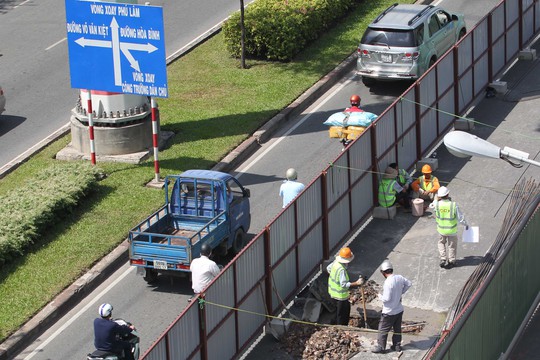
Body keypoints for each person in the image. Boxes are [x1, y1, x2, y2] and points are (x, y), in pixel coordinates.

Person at [372, 260, 412, 354]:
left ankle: (381, 347)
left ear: (383, 272)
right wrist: (401, 292)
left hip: (389, 312)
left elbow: (386, 299)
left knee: (383, 329)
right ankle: (397, 345)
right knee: (397, 329)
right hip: (399, 310)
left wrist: (379, 296)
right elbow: (409, 283)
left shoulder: (388, 282)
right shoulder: (399, 277)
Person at [327, 247, 365, 325]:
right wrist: (356, 283)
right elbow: (344, 284)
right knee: (342, 314)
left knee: (339, 310)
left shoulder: (335, 262)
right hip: (340, 295)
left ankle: (334, 322)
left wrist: (335, 278)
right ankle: (341, 327)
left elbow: (328, 269)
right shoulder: (341, 270)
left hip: (332, 291)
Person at [434, 186, 468, 269]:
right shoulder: (453, 205)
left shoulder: (437, 205)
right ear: (448, 194)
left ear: (439, 196)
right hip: (452, 230)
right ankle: (451, 260)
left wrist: (436, 198)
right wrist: (466, 224)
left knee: (441, 243)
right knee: (452, 245)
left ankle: (443, 258)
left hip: (441, 230)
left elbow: (434, 206)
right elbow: (460, 217)